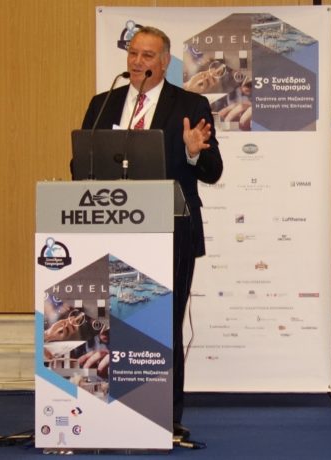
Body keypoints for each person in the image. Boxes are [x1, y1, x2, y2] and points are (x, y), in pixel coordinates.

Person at [81, 26, 223, 441]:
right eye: (133, 54)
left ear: (164, 63)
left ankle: (164, 418)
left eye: (147, 56)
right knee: (105, 322)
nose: (137, 62)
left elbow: (213, 170)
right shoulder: (103, 104)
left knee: (164, 323)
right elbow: (80, 164)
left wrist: (193, 152)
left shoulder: (191, 104)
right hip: (110, 228)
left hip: (171, 229)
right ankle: (102, 410)